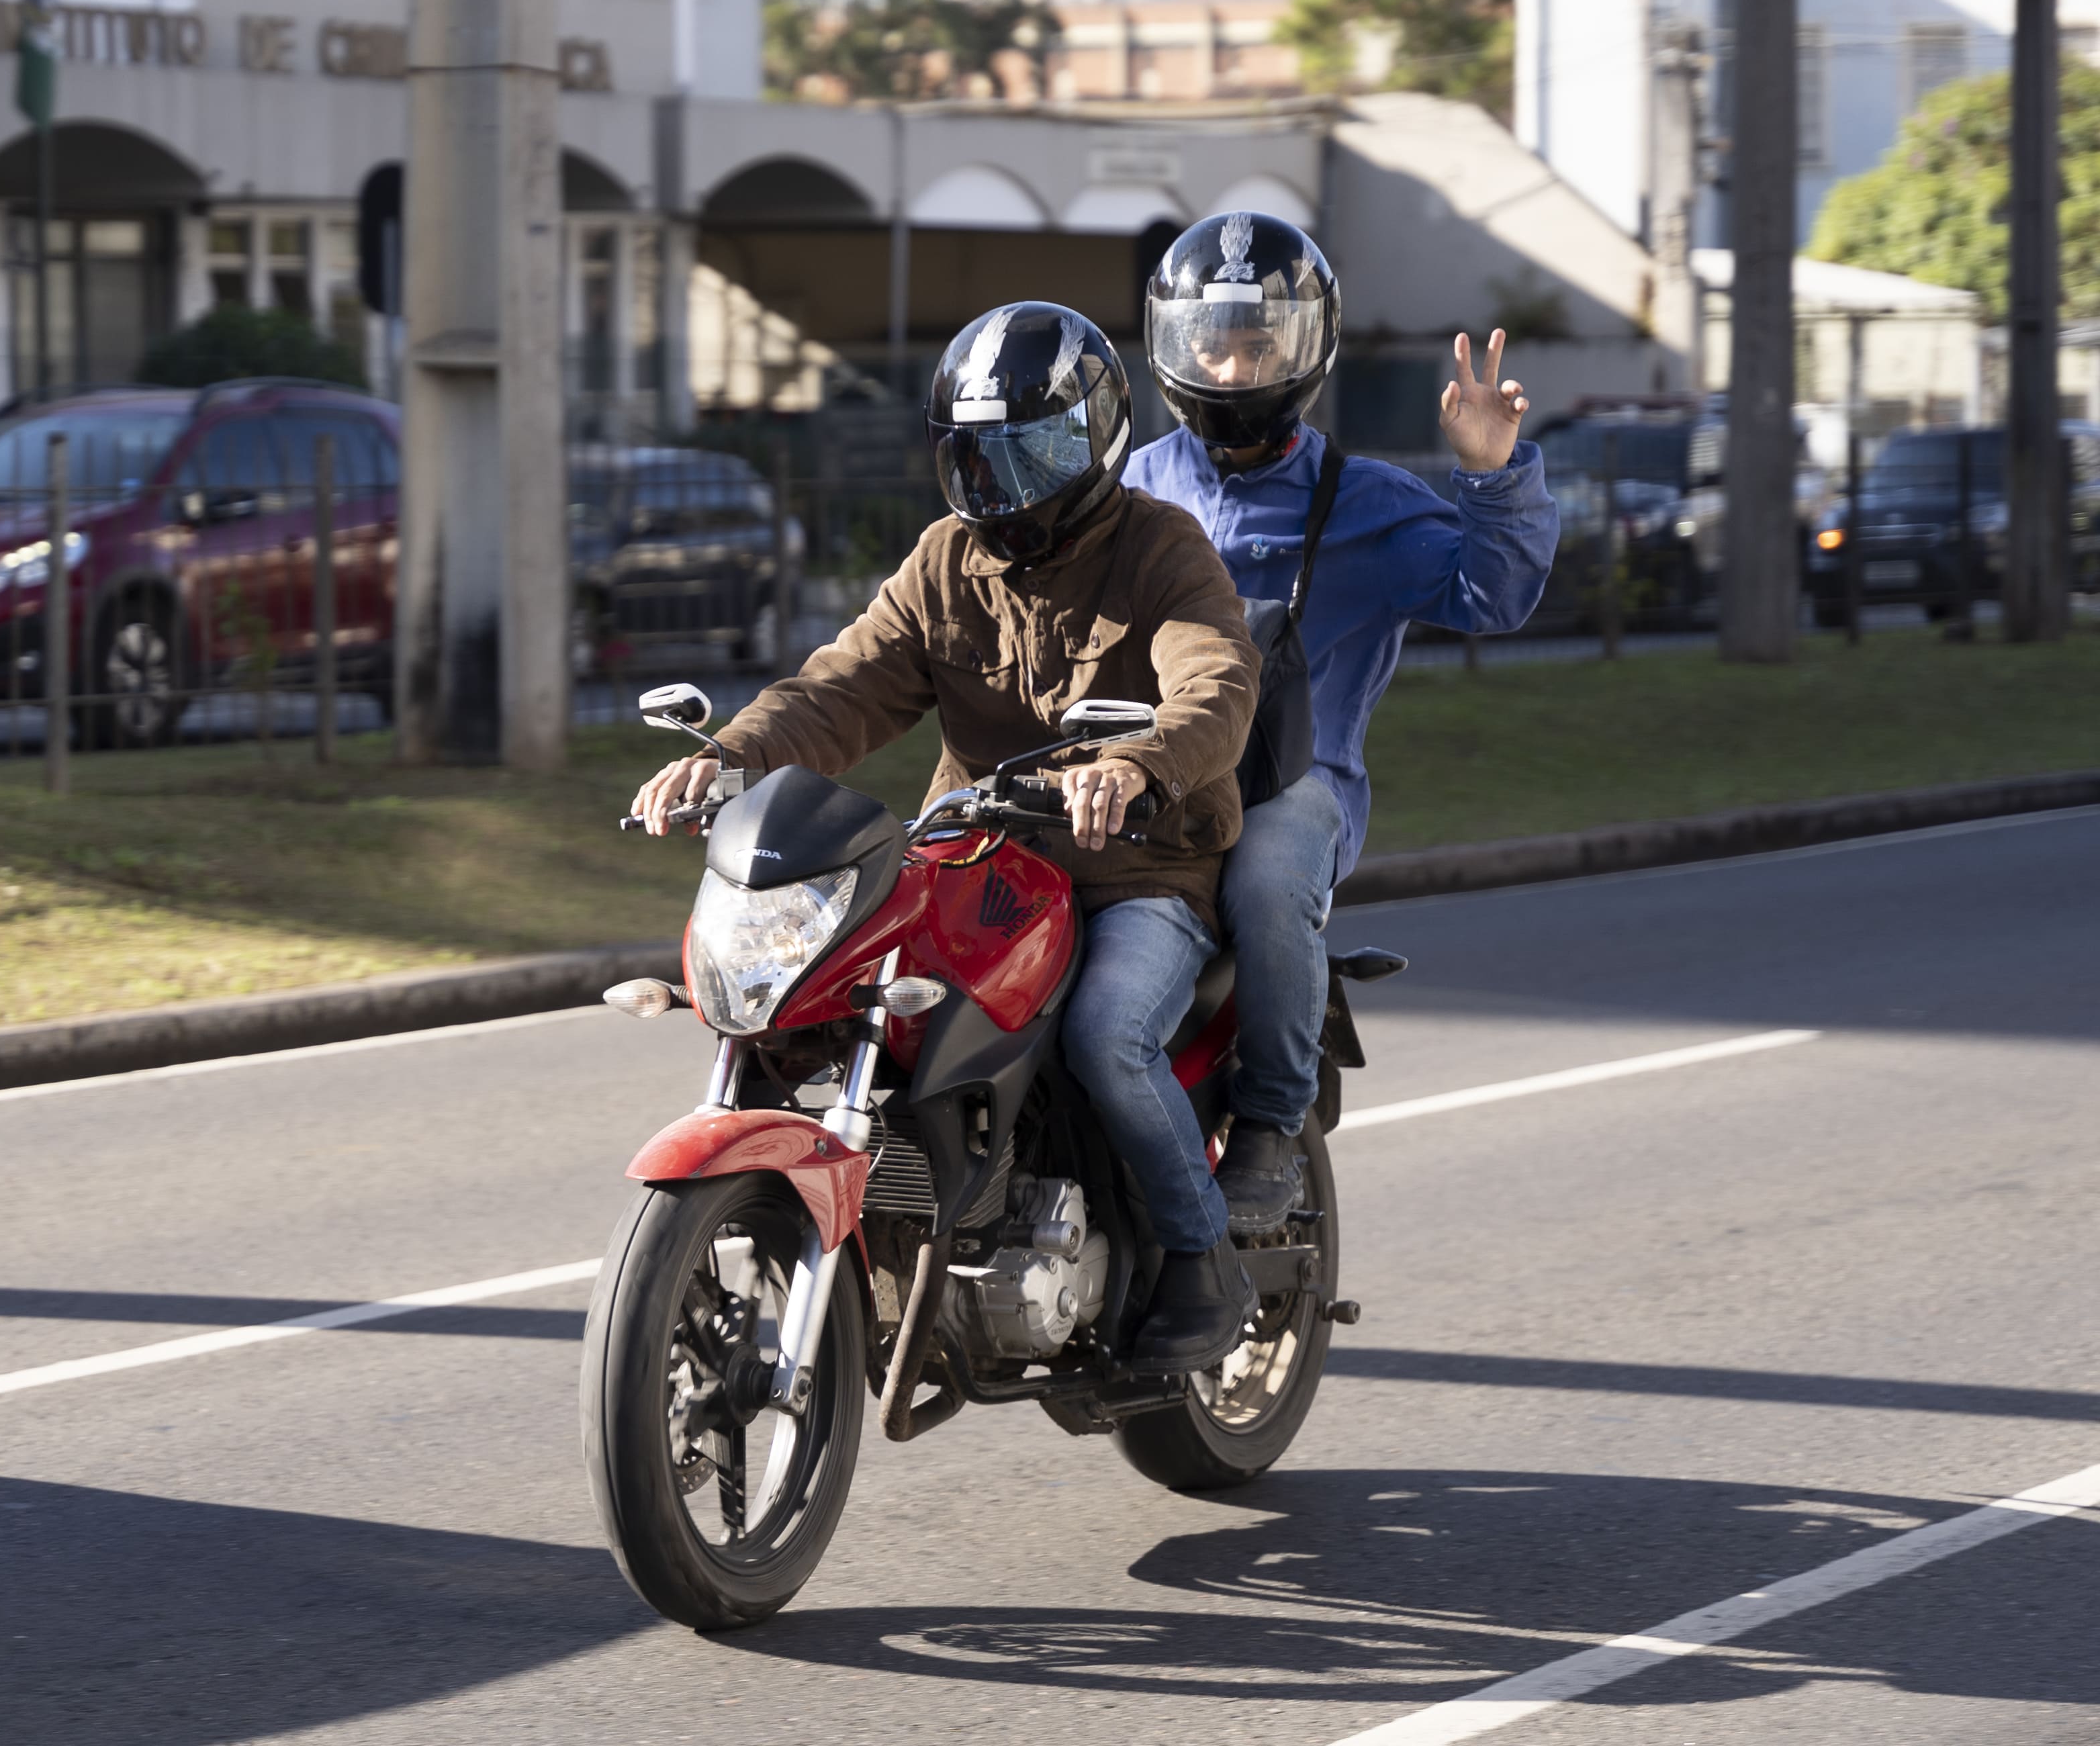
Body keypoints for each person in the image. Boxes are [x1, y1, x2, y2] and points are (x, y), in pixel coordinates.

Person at [629, 302, 1267, 1375]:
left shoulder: (1162, 548)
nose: (1005, 486)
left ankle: (1206, 1261)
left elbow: (1218, 682)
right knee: (837, 994)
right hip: (980, 861)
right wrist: (730, 759)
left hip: (1135, 871)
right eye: (980, 458)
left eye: (1035, 452)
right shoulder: (942, 563)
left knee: (1110, 1032)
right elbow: (839, 688)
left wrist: (1139, 765)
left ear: (1099, 436)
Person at [1125, 211, 1558, 1232]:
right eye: (1215, 344)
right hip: (1142, 778)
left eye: (1259, 344)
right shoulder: (1132, 487)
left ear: (1305, 351)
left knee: (1271, 881)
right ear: (1176, 348)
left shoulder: (1365, 502)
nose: (1233, 369)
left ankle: (1271, 1129)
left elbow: (1491, 597)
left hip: (1292, 785)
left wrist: (1493, 476)